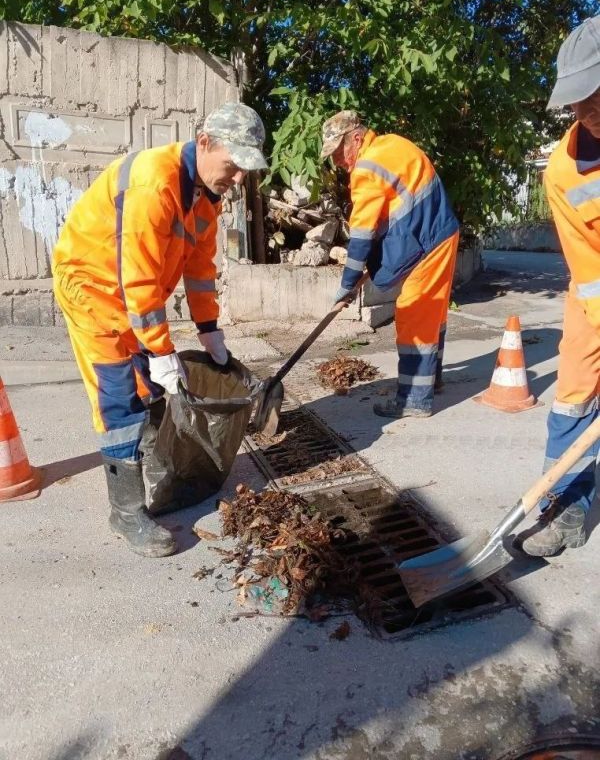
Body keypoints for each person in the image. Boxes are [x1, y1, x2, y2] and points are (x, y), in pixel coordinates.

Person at [52, 103, 268, 557]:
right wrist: (160, 349)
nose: (238, 179)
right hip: (93, 289)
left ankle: (152, 461)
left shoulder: (206, 197)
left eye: (245, 170)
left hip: (132, 296)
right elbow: (139, 279)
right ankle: (126, 512)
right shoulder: (154, 183)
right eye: (233, 165)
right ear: (204, 143)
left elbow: (200, 269)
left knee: (149, 384)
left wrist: (209, 329)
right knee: (118, 395)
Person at [517, 16, 600, 556]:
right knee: (571, 397)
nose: (585, 111)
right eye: (577, 101)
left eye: (595, 94)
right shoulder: (563, 172)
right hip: (596, 291)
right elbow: (588, 269)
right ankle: (564, 508)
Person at [320, 110, 459, 418]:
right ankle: (430, 381)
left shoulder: (367, 168)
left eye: (339, 152)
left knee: (414, 314)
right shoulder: (392, 145)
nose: (337, 161)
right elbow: (393, 214)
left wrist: (347, 284)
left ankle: (414, 400)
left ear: (357, 138)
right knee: (432, 311)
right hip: (439, 233)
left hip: (428, 241)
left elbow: (362, 233)